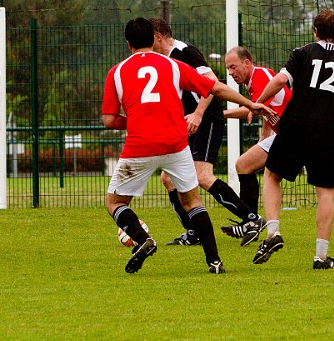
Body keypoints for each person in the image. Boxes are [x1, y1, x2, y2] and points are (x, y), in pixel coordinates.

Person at [102, 17, 275, 274]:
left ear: (128, 44)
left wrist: (136, 123)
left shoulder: (116, 71)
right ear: (153, 39)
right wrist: (250, 104)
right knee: (193, 201)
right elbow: (214, 86)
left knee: (115, 202)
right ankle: (214, 262)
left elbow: (108, 119)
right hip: (175, 143)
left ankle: (142, 238)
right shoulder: (172, 65)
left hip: (140, 145)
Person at [251, 9, 334, 270]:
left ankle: (273, 232)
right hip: (328, 132)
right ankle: (321, 257)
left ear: (315, 30)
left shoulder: (303, 52)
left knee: (272, 175)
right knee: (326, 192)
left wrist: (257, 102)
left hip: (295, 125)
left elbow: (280, 80)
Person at [222, 45, 334, 245]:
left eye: (233, 67)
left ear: (247, 63)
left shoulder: (260, 76)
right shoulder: (253, 81)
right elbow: (265, 108)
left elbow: (254, 108)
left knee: (333, 184)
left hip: (296, 134)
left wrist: (220, 115)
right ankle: (251, 222)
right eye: (228, 69)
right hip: (287, 134)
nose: (231, 72)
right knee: (244, 164)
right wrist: (265, 133)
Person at [150, 18, 266, 247]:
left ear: (157, 37)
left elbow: (211, 83)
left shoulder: (185, 52)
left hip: (207, 118)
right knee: (168, 178)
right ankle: (194, 233)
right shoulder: (163, 60)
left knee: (202, 176)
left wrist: (198, 114)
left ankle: (252, 219)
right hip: (189, 122)